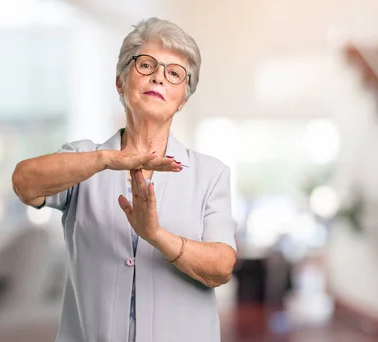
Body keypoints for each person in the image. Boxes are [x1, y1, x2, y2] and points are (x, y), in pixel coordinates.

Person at [12, 17, 237, 342]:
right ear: (121, 82)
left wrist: (155, 235)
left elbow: (221, 266)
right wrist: (109, 159)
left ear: (182, 100)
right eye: (146, 65)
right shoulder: (81, 159)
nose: (159, 76)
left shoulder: (210, 174)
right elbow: (24, 182)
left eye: (174, 73)